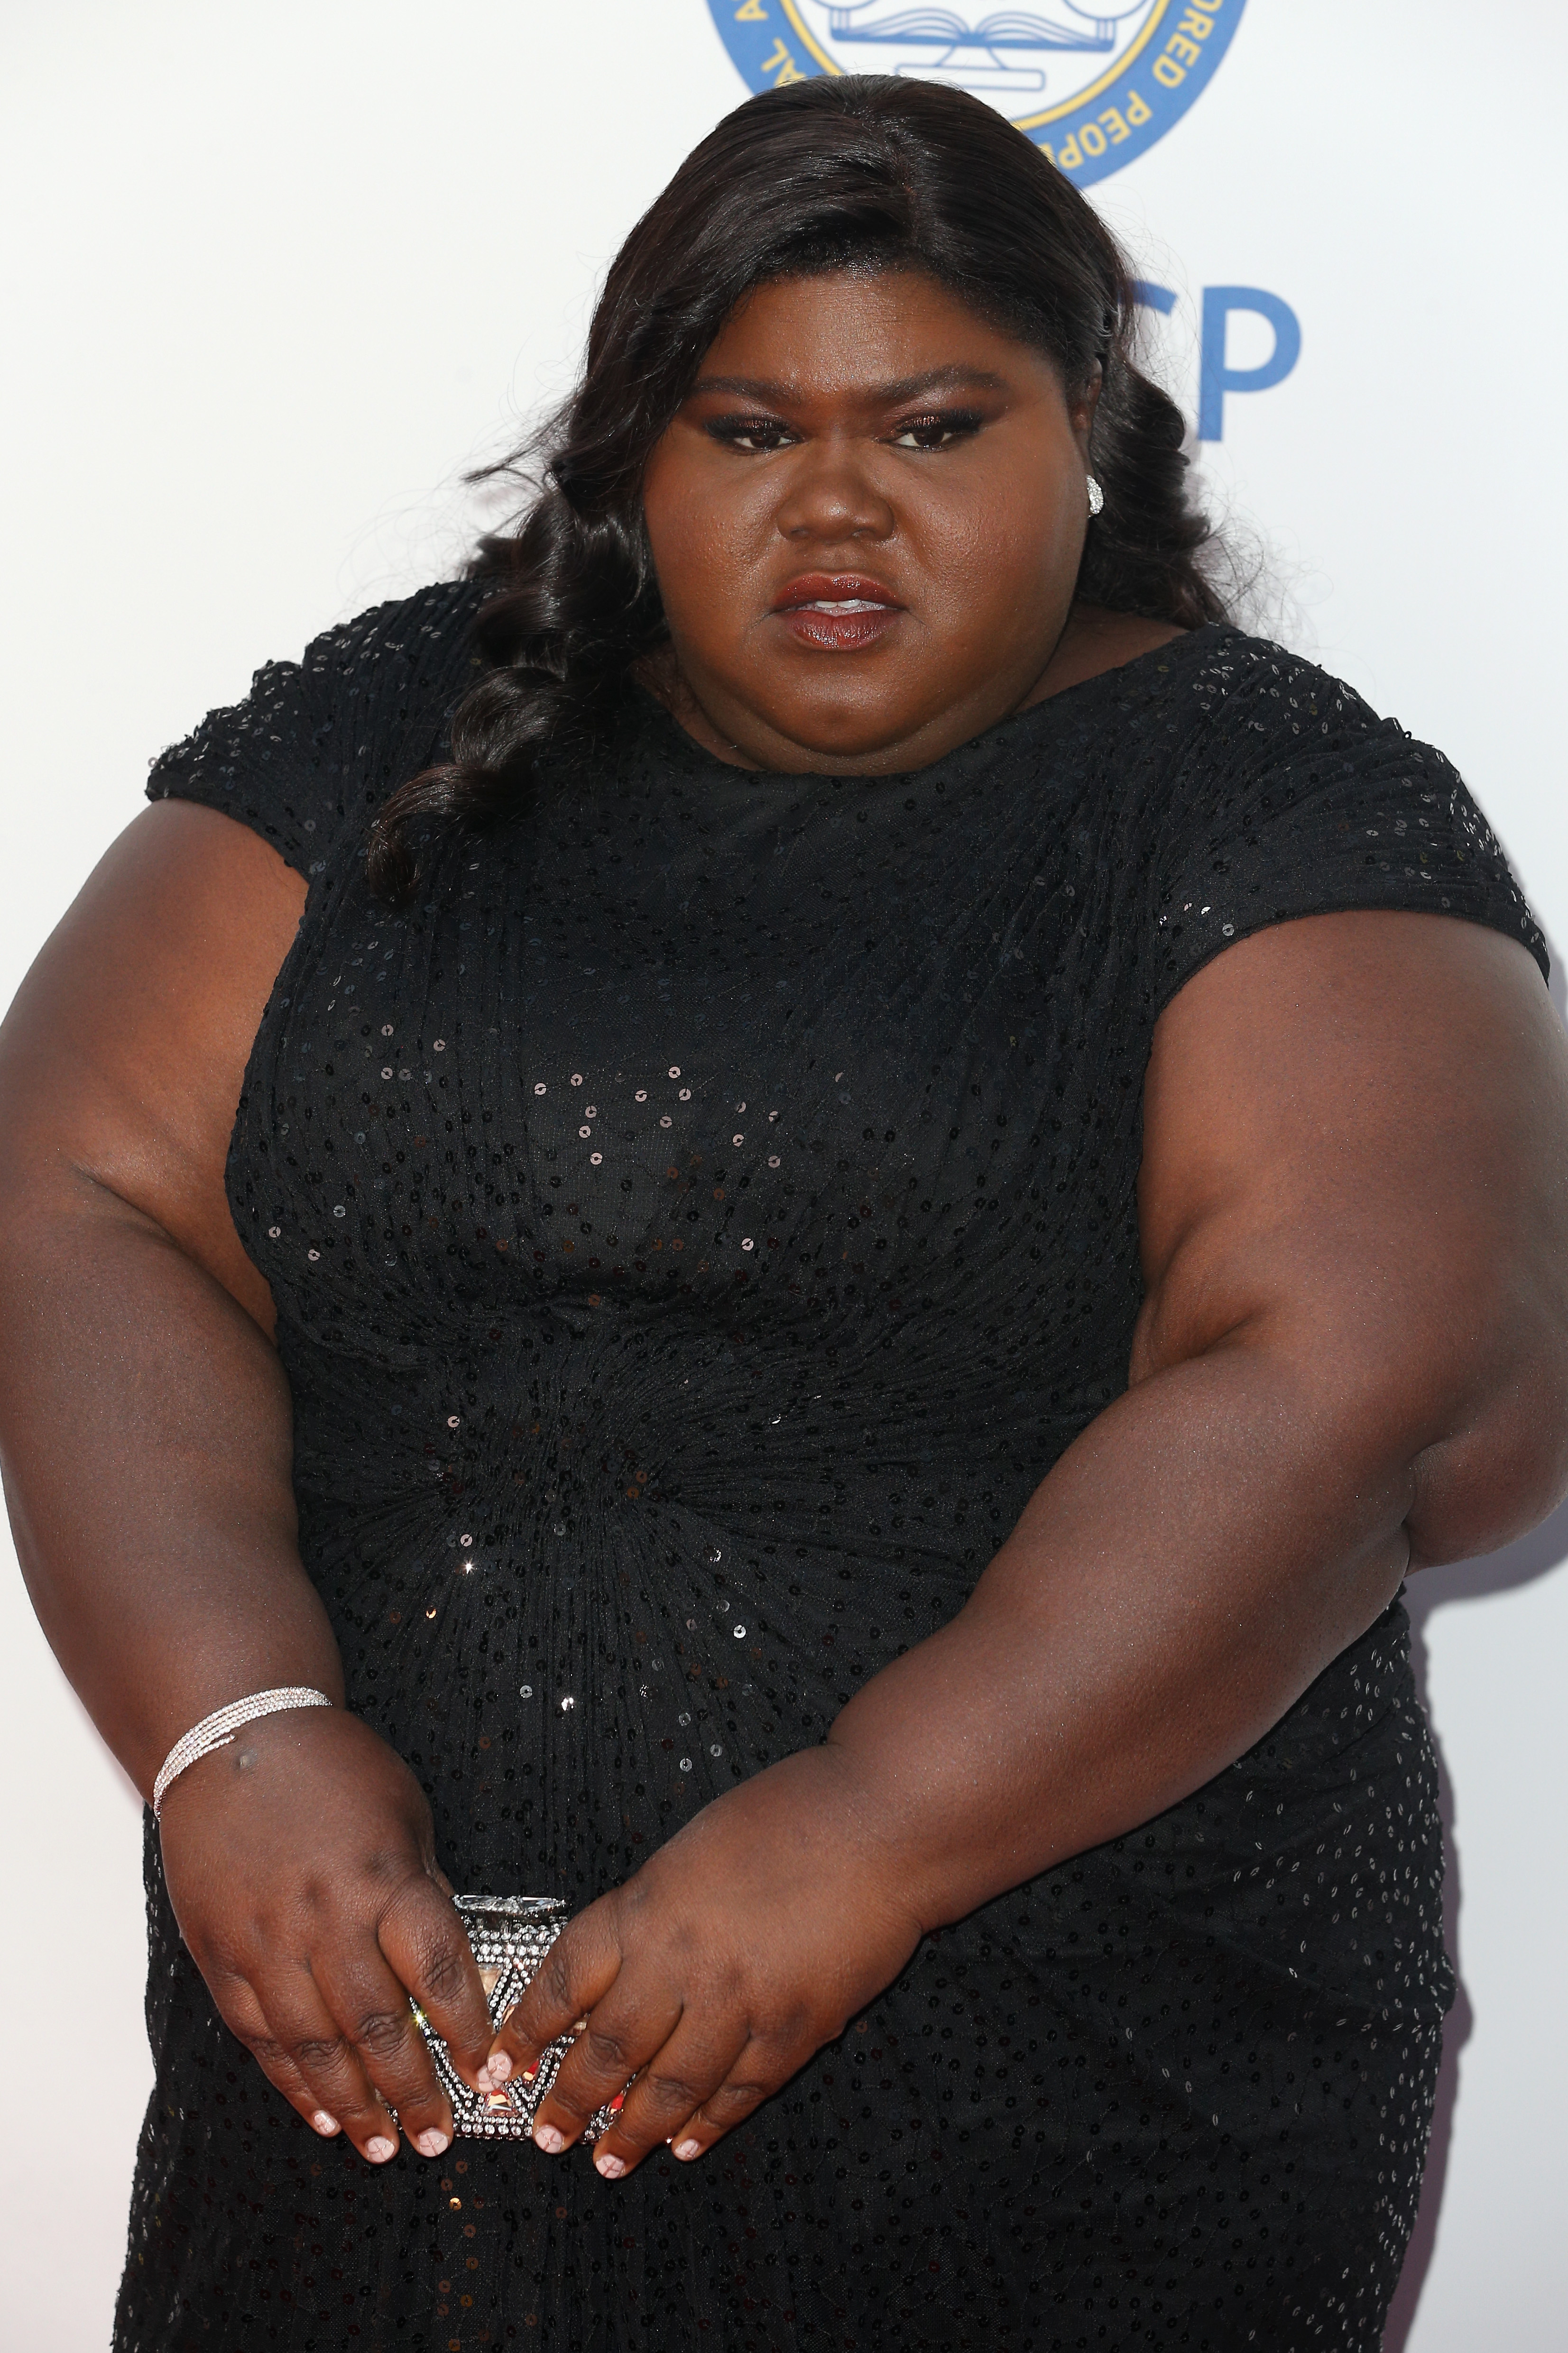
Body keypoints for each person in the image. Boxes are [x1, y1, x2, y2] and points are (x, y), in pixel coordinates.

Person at [2, 72, 1564, 2353]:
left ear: (1091, 439)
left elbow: (1367, 1382)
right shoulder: (390, 736)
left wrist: (865, 1829)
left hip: (1072, 2096)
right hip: (370, 2080)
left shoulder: (1266, 795)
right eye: (747, 433)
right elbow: (75, 1191)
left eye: (933, 428)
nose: (836, 502)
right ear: (633, 456)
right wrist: (227, 1729)